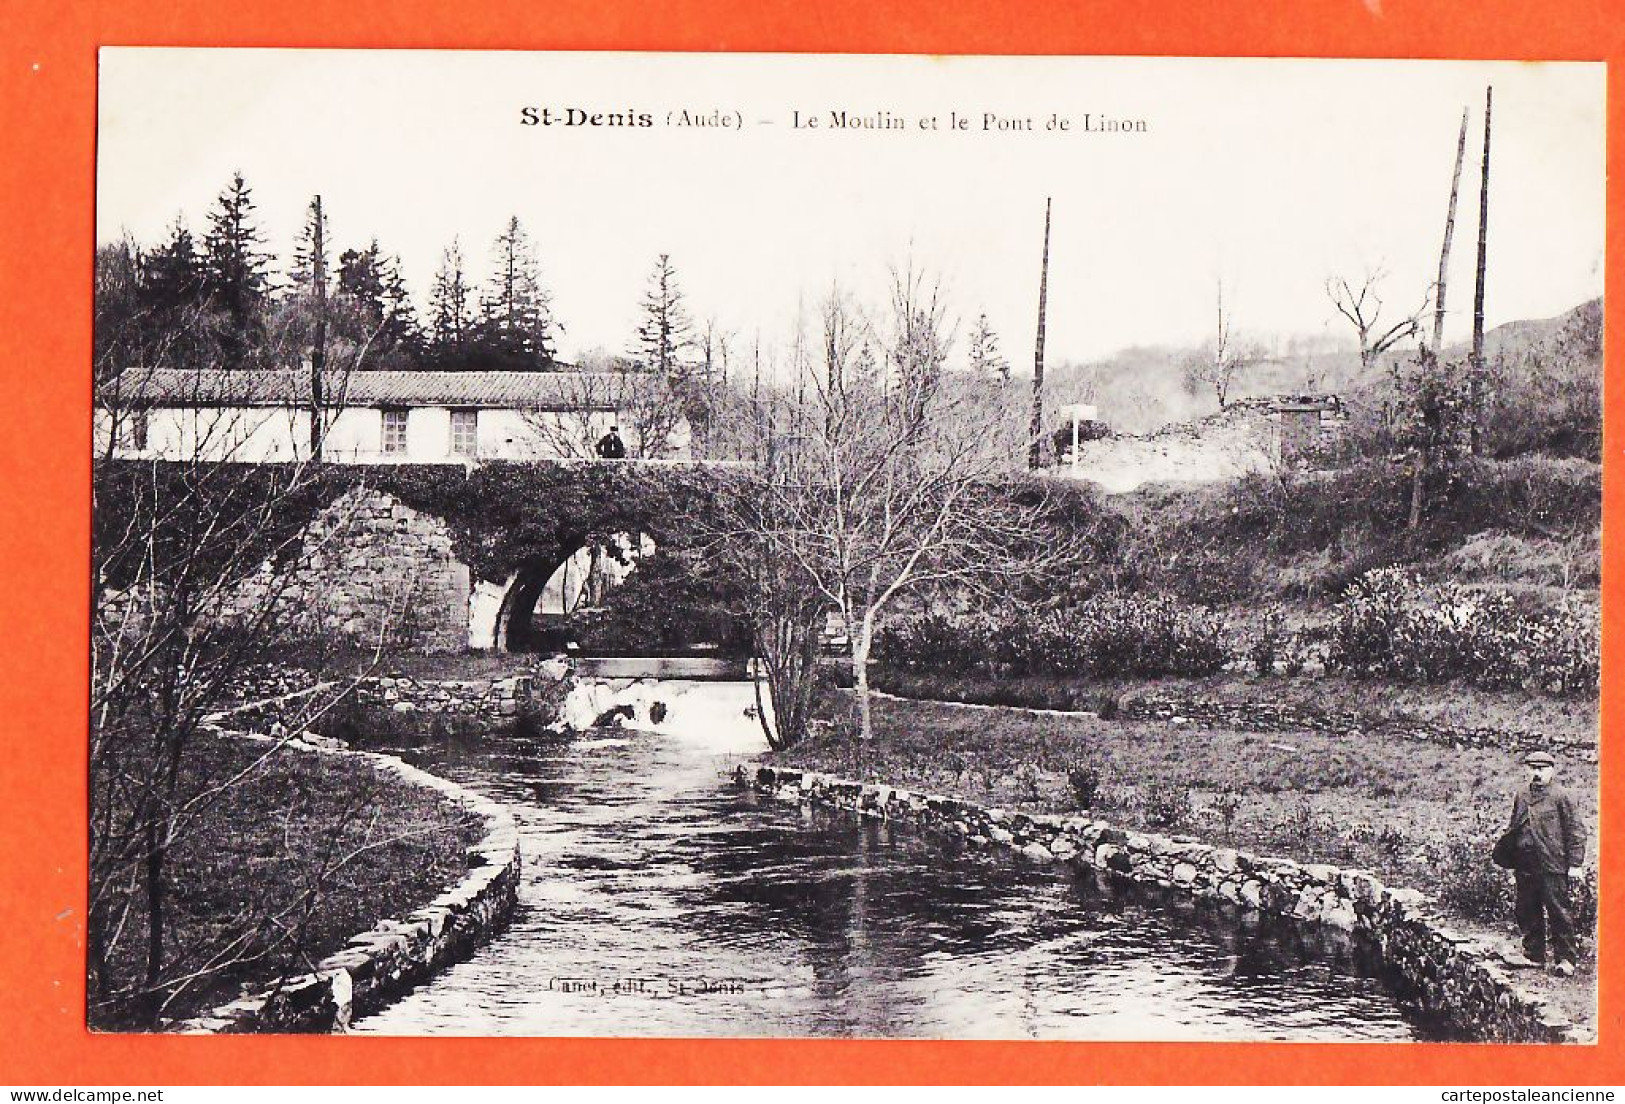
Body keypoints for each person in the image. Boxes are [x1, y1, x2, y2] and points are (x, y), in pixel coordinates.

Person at [1505, 750, 1585, 975]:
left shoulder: (1561, 796)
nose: (1537, 774)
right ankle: (1533, 955)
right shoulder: (1522, 795)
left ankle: (1566, 959)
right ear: (1527, 770)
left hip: (1552, 863)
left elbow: (1576, 831)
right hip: (1525, 863)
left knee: (1558, 910)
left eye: (1542, 769)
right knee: (1527, 909)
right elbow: (1514, 825)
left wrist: (1575, 864)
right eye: (1533, 768)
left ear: (1552, 770)